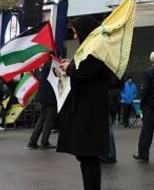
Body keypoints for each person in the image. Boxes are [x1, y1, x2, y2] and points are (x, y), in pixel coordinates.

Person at [57, 17, 111, 190]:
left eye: (75, 32)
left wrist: (69, 68)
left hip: (90, 111)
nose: (74, 36)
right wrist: (70, 66)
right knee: (85, 155)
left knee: (87, 155)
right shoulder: (93, 47)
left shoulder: (96, 48)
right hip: (87, 108)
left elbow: (86, 70)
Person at [27, 60, 57, 149]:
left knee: (42, 118)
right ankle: (44, 142)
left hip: (42, 96)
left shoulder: (46, 64)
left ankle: (32, 141)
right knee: (49, 120)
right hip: (50, 96)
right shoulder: (53, 64)